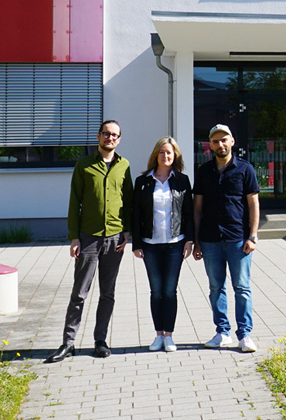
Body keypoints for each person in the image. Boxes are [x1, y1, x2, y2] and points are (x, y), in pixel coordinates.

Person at [45, 120, 133, 363]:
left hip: (115, 238)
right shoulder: (84, 165)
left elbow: (129, 201)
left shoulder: (124, 166)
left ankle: (100, 341)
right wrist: (74, 237)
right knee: (79, 293)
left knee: (108, 293)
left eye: (115, 135)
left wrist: (127, 231)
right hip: (89, 238)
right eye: (106, 134)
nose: (110, 138)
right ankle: (68, 343)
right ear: (98, 137)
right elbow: (75, 202)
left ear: (119, 139)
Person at [193, 124, 260, 353]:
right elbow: (197, 208)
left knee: (241, 287)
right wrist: (196, 240)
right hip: (210, 239)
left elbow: (253, 204)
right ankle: (222, 332)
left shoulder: (245, 169)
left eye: (224, 140)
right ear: (209, 145)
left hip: (238, 239)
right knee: (215, 288)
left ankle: (245, 335)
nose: (220, 144)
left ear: (232, 141)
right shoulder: (203, 171)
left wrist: (252, 236)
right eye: (215, 141)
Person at [131, 137, 194, 353]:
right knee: (155, 291)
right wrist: (136, 244)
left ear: (175, 155)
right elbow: (136, 215)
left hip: (175, 244)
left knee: (169, 291)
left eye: (169, 152)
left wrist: (189, 240)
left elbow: (188, 213)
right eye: (162, 152)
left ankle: (169, 336)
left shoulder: (182, 181)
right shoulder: (143, 182)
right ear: (155, 155)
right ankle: (158, 335)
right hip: (150, 245)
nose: (165, 156)